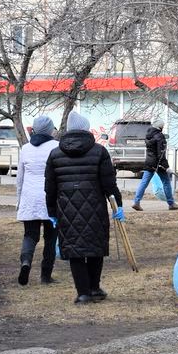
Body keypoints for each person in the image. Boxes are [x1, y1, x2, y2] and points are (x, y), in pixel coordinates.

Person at [45, 112, 124, 304]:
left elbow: (50, 187)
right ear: (86, 128)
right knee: (95, 248)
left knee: (75, 250)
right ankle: (94, 288)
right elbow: (109, 184)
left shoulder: (55, 154)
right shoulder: (99, 151)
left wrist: (52, 212)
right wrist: (118, 205)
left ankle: (83, 293)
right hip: (95, 208)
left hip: (66, 209)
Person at [15, 115, 60, 286]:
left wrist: (19, 201)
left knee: (30, 235)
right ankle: (45, 276)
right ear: (50, 130)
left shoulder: (25, 149)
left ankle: (25, 262)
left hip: (30, 198)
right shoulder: (56, 147)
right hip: (50, 198)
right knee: (51, 238)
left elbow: (20, 178)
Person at [130, 119, 178, 212]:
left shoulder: (148, 135)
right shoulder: (160, 136)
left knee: (144, 183)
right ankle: (171, 203)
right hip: (158, 164)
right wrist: (167, 167)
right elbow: (161, 154)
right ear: (160, 127)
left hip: (149, 162)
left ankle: (136, 202)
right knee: (166, 182)